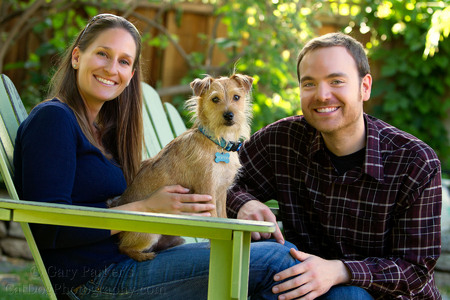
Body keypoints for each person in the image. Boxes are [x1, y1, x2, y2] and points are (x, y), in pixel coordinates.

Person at [13, 13, 299, 299]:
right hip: (94, 278)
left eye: (124, 61)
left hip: (126, 260)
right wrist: (145, 208)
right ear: (77, 57)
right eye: (103, 54)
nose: (112, 69)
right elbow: (49, 228)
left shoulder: (101, 128)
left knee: (284, 254)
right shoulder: (53, 119)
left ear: (131, 75)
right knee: (279, 262)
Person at [228, 32, 442, 299]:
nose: (322, 95)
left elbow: (416, 271)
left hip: (385, 296)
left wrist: (340, 271)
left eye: (336, 81)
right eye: (309, 84)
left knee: (347, 295)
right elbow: (222, 176)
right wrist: (243, 203)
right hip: (301, 286)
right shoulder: (283, 140)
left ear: (365, 87)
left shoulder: (415, 161)